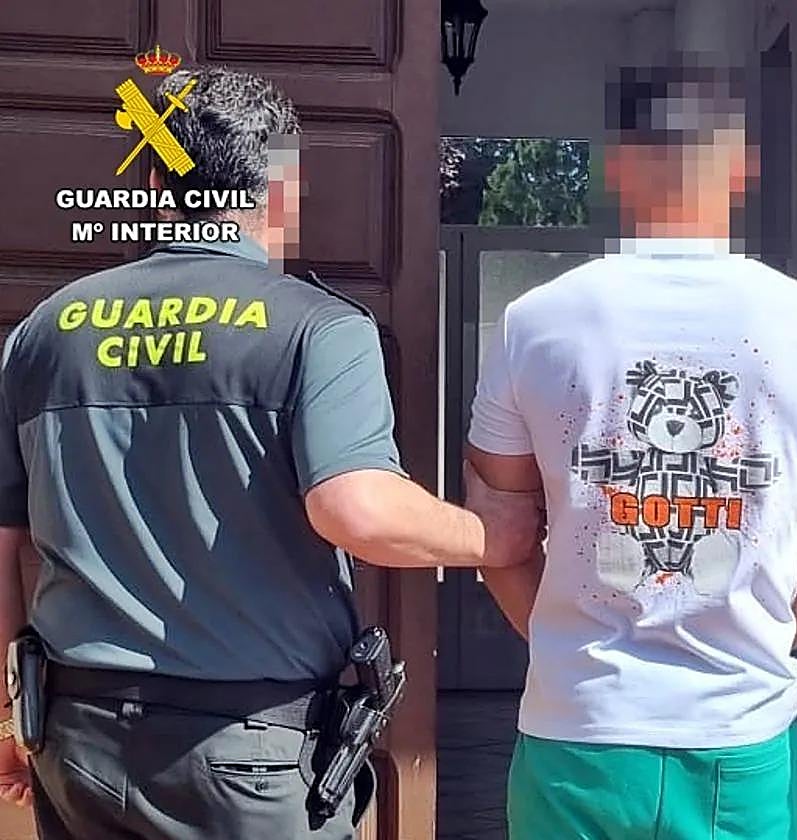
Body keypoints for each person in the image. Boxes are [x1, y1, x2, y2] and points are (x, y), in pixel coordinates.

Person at [0, 67, 539, 840]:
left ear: (153, 187)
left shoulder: (44, 333)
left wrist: (10, 716)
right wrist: (492, 536)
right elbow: (357, 509)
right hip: (245, 752)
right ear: (282, 191)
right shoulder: (317, 328)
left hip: (78, 740)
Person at [461, 62, 797, 840]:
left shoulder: (534, 323)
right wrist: (757, 644)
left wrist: (569, 648)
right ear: (742, 167)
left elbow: (498, 536)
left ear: (617, 166)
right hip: (743, 740)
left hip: (576, 734)